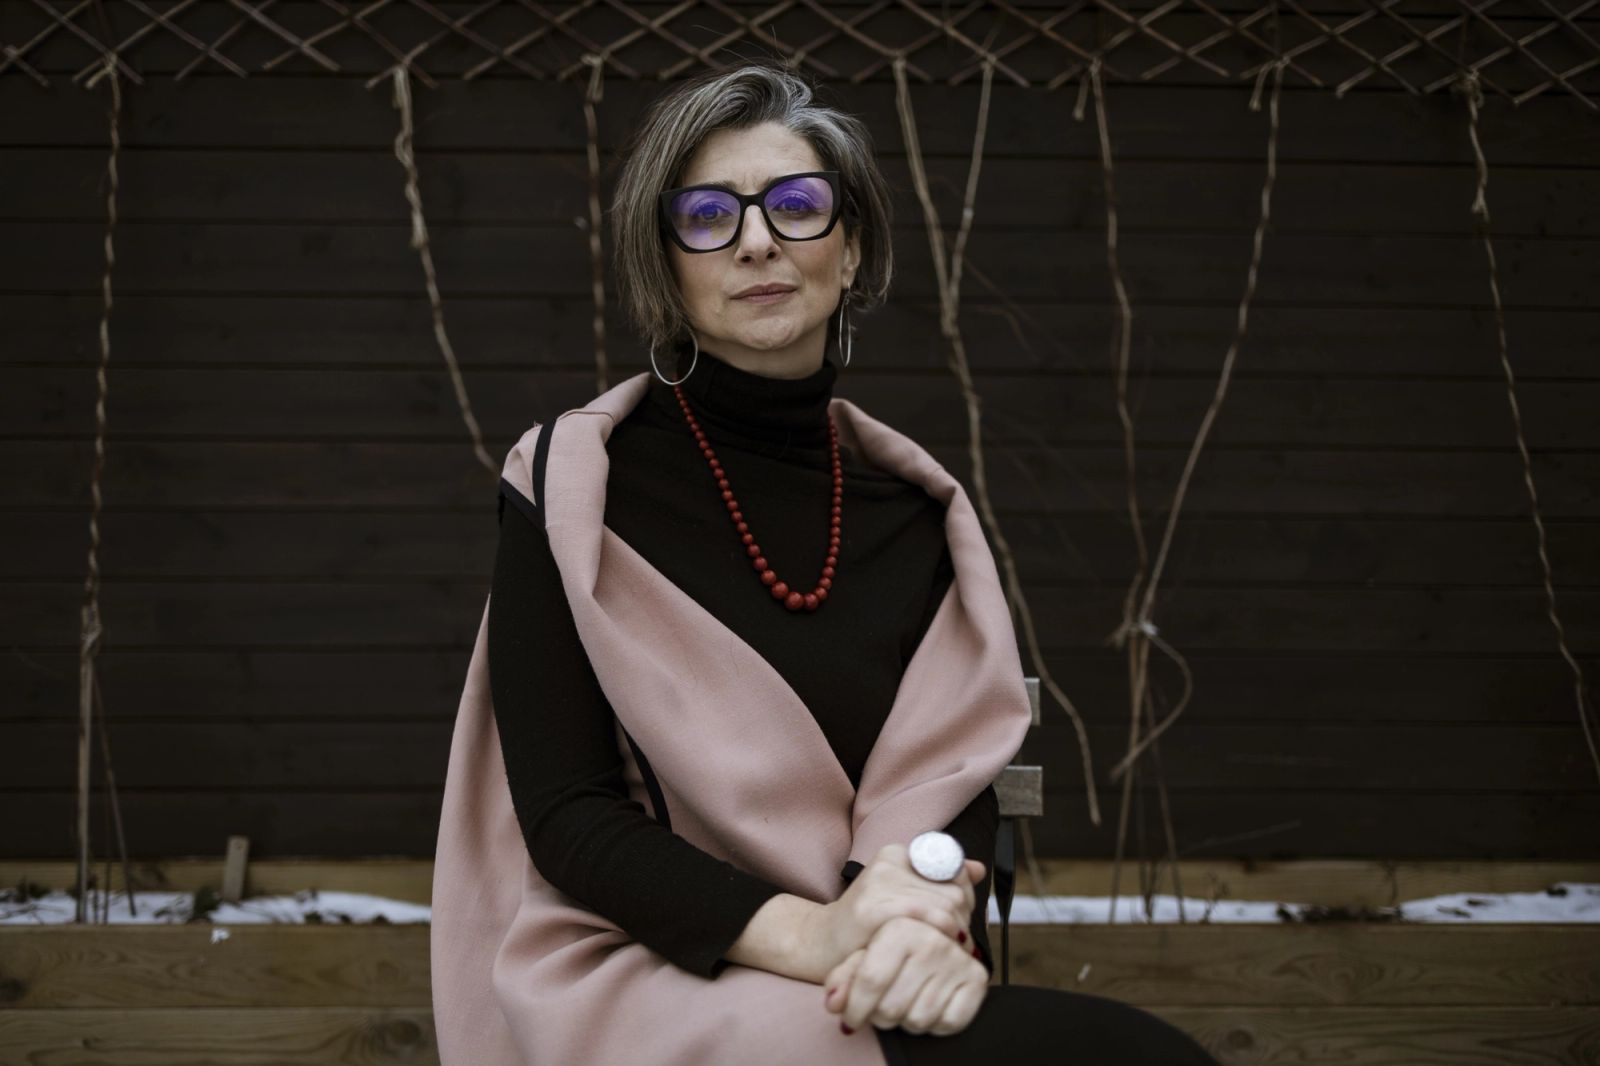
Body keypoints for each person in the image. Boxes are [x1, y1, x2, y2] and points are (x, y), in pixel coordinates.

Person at [431, 60, 1222, 1065]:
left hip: (868, 960)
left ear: (849, 249)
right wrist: (817, 936)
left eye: (797, 205)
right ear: (666, 267)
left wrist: (914, 928)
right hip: (647, 970)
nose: (757, 239)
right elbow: (569, 817)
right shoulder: (573, 485)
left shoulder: (917, 515)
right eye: (707, 215)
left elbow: (945, 800)